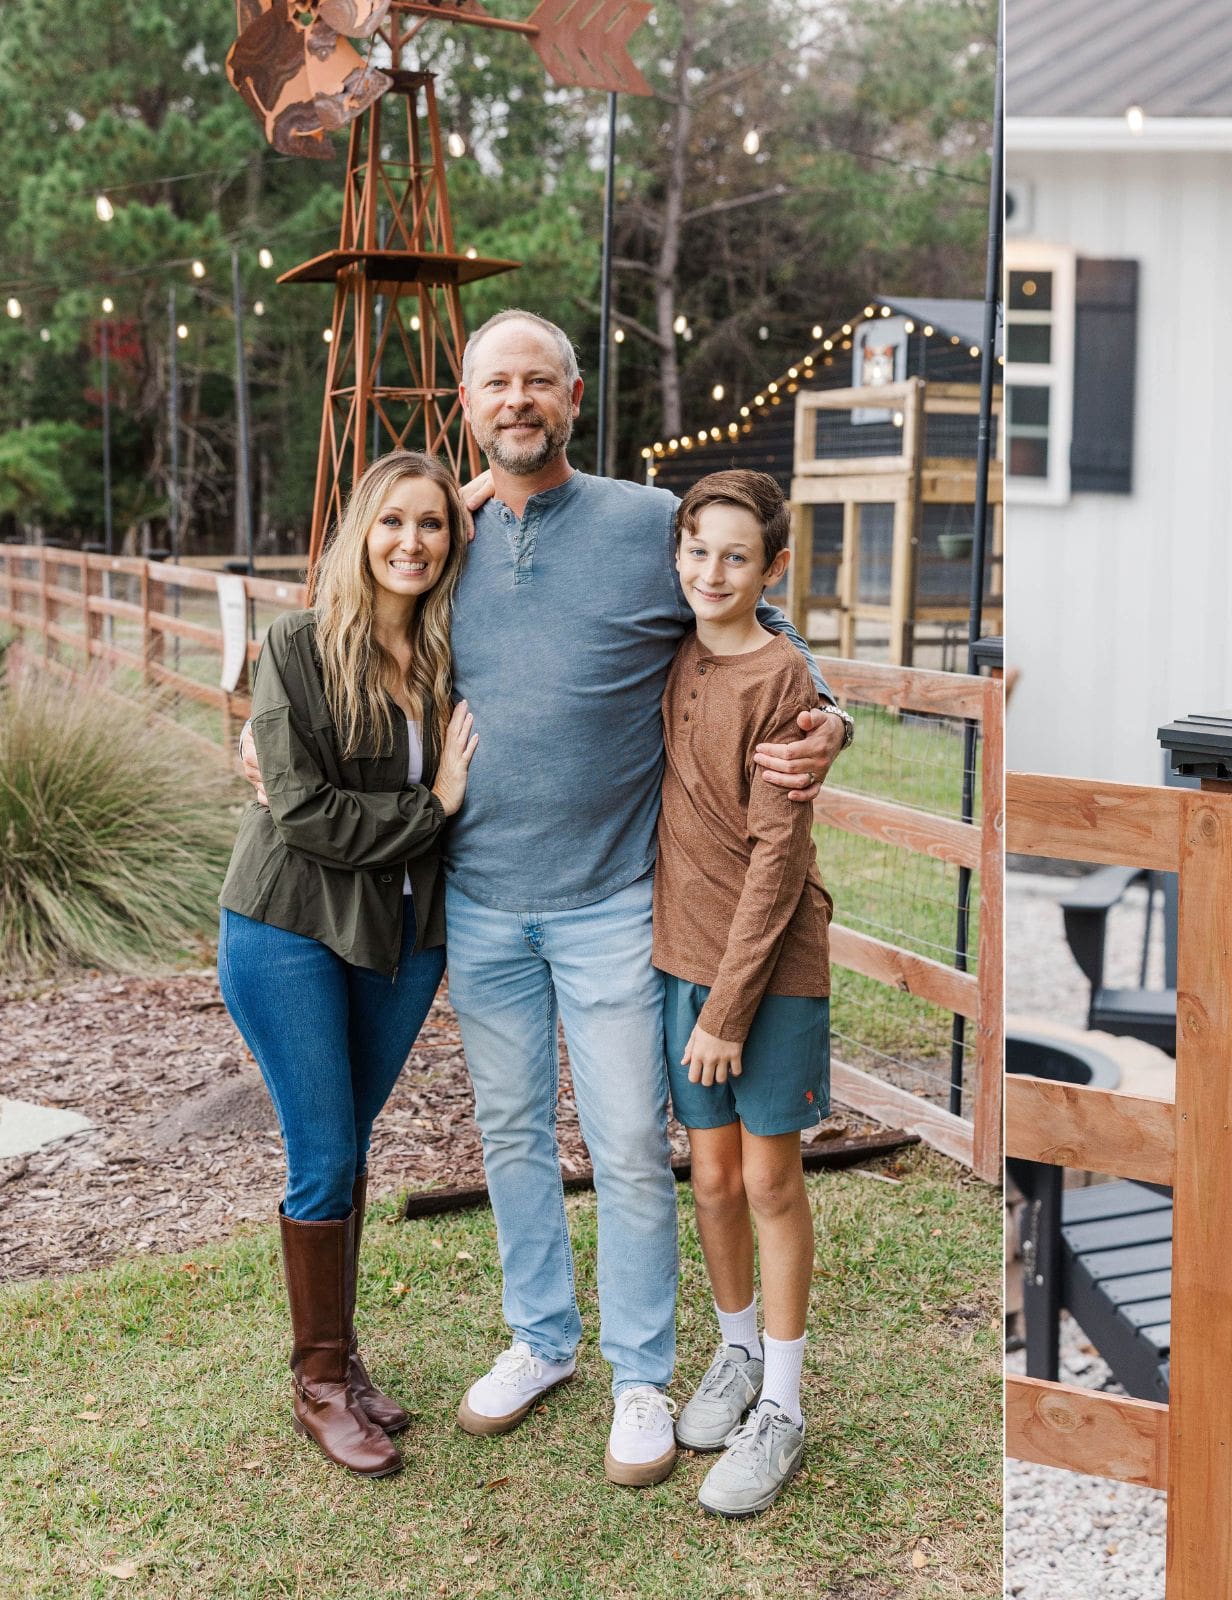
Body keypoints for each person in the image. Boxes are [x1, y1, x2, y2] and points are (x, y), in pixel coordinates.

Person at [248, 309, 849, 1487]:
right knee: (513, 1135)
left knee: (628, 1139)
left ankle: (640, 1370)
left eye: (538, 382)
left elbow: (753, 624)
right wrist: (264, 744)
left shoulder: (640, 526)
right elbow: (344, 628)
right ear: (464, 406)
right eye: (493, 385)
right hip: (477, 900)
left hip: (612, 901)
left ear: (574, 397)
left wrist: (829, 712)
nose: (515, 401)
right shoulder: (445, 532)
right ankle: (542, 1339)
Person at [218, 450, 478, 1478]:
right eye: (392, 523)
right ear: (359, 534)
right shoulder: (296, 648)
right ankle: (317, 1384)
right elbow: (306, 813)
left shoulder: (452, 655)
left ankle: (344, 1356)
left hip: (403, 936)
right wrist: (434, 804)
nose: (411, 542)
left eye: (432, 525)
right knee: (324, 1152)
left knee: (349, 1144)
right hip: (289, 926)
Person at [647, 470, 832, 1517]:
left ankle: (785, 1405)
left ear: (771, 568)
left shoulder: (784, 682)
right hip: (679, 955)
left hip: (765, 976)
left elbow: (775, 858)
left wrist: (726, 1008)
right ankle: (733, 1353)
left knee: (767, 1180)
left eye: (733, 556)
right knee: (709, 1176)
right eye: (695, 549)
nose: (709, 572)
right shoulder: (676, 650)